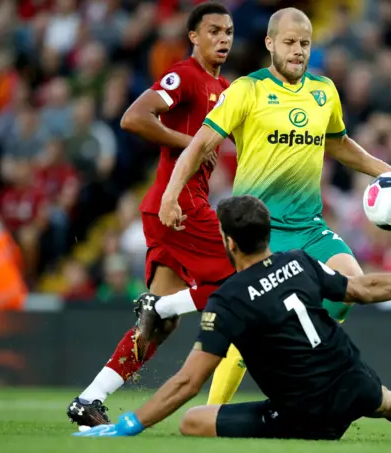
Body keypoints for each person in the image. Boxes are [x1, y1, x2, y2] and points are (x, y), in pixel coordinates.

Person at [143, 6, 391, 409]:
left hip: (309, 225)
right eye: (290, 42)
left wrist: (387, 172)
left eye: (305, 43)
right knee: (253, 321)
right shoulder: (246, 90)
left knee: (349, 288)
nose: (298, 51)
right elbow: (200, 144)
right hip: (262, 232)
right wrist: (170, 195)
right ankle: (212, 412)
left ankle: (309, 369)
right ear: (270, 43)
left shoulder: (324, 91)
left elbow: (339, 143)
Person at [74, 195, 391, 442]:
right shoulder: (301, 261)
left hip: (303, 413)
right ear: (269, 234)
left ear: (229, 242)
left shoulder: (228, 299)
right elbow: (365, 289)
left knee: (192, 422)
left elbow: (187, 382)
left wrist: (130, 423)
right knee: (389, 402)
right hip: (355, 384)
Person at [67, 2, 236, 427]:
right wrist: (189, 143)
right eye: (213, 31)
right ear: (193, 36)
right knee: (239, 280)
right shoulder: (185, 76)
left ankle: (90, 398)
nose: (223, 39)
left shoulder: (226, 88)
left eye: (229, 32)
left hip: (171, 208)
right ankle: (157, 307)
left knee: (162, 324)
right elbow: (134, 117)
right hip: (179, 204)